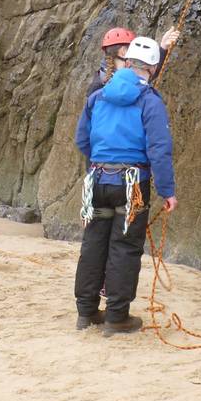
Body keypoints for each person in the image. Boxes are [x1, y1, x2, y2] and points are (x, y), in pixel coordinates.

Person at [74, 36, 177, 335]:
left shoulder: (98, 97)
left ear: (127, 61)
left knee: (93, 244)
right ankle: (117, 317)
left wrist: (103, 161)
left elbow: (82, 139)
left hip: (98, 179)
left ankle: (86, 312)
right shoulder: (149, 101)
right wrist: (167, 192)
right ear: (153, 68)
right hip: (131, 185)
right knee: (124, 247)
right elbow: (159, 149)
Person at [86, 26, 179, 97]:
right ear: (123, 52)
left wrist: (163, 47)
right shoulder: (100, 86)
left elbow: (147, 73)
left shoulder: (100, 81)